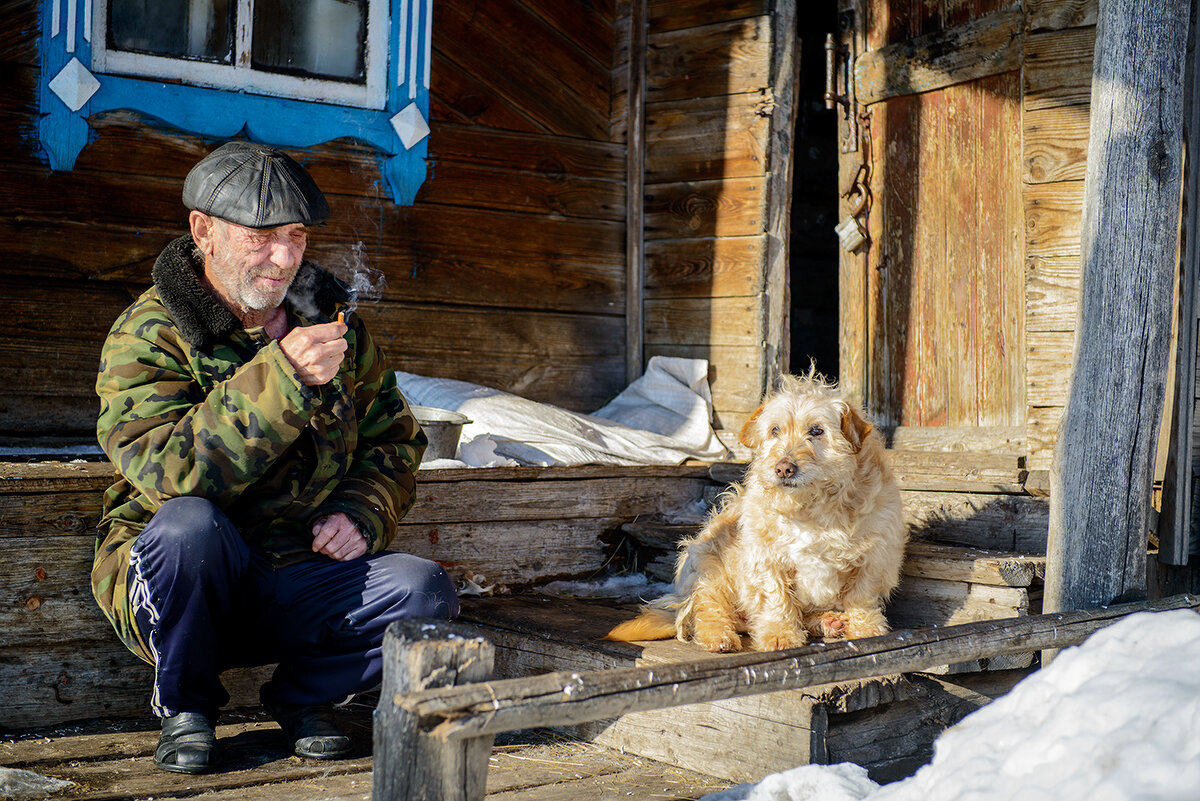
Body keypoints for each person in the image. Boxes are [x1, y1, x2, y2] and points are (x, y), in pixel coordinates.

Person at [92, 141, 459, 775]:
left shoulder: (335, 326)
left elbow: (395, 441)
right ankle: (188, 708)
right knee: (188, 527)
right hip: (185, 579)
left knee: (421, 591)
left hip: (296, 572)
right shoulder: (150, 333)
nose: (284, 258)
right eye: (261, 237)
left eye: (295, 235)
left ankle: (303, 697)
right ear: (202, 231)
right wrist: (283, 376)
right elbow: (167, 469)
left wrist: (360, 513)